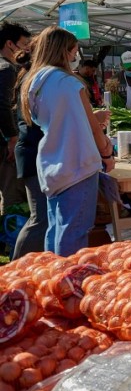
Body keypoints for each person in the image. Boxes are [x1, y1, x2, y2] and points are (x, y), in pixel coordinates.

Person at [20, 26, 114, 256]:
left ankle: (53, 274)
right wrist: (106, 153)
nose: (75, 56)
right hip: (76, 163)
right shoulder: (69, 83)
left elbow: (60, 119)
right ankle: (67, 276)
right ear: (65, 51)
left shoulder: (34, 82)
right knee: (74, 232)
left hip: (52, 163)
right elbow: (94, 130)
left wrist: (92, 119)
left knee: (56, 229)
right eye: (74, 50)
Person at [11, 49, 47, 259]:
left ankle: (24, 264)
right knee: (40, 218)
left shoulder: (30, 79)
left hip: (33, 154)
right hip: (33, 155)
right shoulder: (34, 81)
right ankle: (15, 266)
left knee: (41, 217)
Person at [0, 22, 30, 225]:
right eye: (24, 44)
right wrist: (12, 137)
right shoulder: (7, 69)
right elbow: (2, 106)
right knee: (13, 194)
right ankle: (11, 235)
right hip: (4, 143)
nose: (27, 49)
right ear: (10, 44)